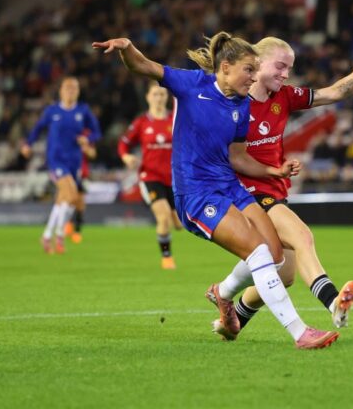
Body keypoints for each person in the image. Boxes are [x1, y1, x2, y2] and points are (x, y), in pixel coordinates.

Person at [93, 32, 338, 349]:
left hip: (230, 186)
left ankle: (222, 293)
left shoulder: (242, 105)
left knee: (276, 256)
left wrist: (272, 170)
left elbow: (238, 157)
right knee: (259, 253)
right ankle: (299, 332)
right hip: (196, 193)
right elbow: (144, 66)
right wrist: (127, 48)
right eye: (249, 70)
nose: (253, 78)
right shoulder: (191, 84)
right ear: (225, 67)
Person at [214, 36, 353, 339]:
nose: (286, 74)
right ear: (258, 63)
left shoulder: (283, 96)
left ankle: (233, 319)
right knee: (302, 236)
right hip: (247, 194)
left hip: (275, 191)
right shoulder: (234, 104)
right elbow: (230, 156)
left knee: (284, 274)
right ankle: (333, 302)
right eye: (280, 66)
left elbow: (333, 93)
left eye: (289, 68)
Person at [21, 77, 101, 254]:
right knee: (71, 194)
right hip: (56, 160)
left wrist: (87, 138)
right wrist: (28, 144)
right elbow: (37, 128)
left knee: (64, 199)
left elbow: (97, 132)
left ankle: (47, 235)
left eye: (74, 88)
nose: (70, 91)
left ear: (78, 91)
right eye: (67, 88)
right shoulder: (52, 111)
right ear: (61, 91)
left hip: (75, 161)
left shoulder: (83, 110)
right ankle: (59, 234)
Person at [118, 82, 182, 269]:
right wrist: (126, 156)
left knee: (179, 225)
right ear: (147, 97)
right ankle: (167, 257)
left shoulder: (175, 119)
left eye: (162, 94)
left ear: (166, 97)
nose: (158, 98)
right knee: (163, 217)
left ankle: (172, 229)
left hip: (174, 179)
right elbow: (123, 143)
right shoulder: (141, 122)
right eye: (155, 94)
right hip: (150, 177)